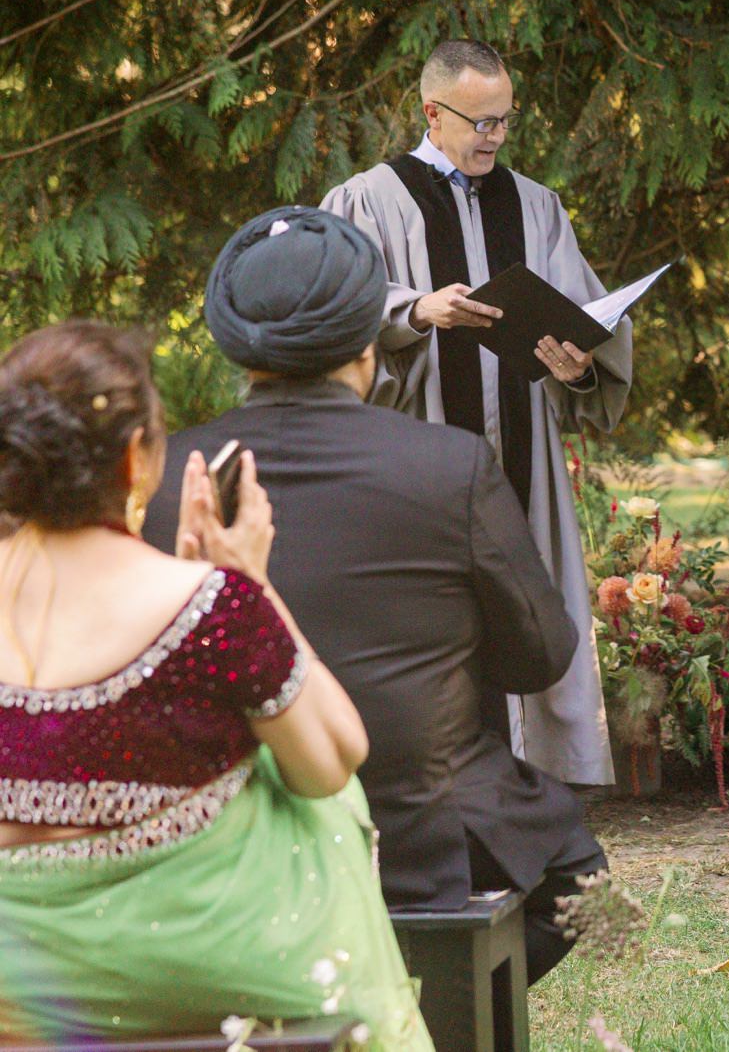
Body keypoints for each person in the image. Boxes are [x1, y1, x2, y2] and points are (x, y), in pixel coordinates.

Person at [141, 207, 607, 985]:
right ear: (367, 340)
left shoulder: (166, 475)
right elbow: (541, 655)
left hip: (218, 830)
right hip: (424, 833)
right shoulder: (448, 465)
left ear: (235, 344)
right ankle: (430, 1013)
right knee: (577, 873)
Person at [0, 322, 431, 1047]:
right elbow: (333, 761)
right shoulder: (212, 608)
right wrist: (249, 583)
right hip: (208, 978)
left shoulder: (201, 606)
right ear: (137, 457)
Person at [321, 38, 632, 786]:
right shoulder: (368, 199)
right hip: (417, 445)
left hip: (520, 450)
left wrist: (579, 362)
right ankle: (423, 769)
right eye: (479, 121)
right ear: (432, 112)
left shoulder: (534, 204)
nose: (494, 135)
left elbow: (583, 314)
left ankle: (536, 772)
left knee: (526, 598)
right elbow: (334, 311)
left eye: (505, 120)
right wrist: (416, 308)